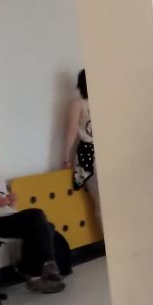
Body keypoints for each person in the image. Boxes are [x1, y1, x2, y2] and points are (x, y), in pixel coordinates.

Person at [0, 142, 66, 294]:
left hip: (8, 217)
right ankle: (44, 267)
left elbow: (11, 209)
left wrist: (12, 201)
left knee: (46, 226)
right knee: (37, 215)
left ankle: (33, 273)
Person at [63, 69, 99, 220]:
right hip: (89, 155)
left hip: (93, 154)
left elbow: (71, 133)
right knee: (103, 201)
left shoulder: (80, 104)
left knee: (103, 201)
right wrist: (66, 159)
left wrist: (66, 160)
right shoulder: (80, 104)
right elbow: (72, 132)